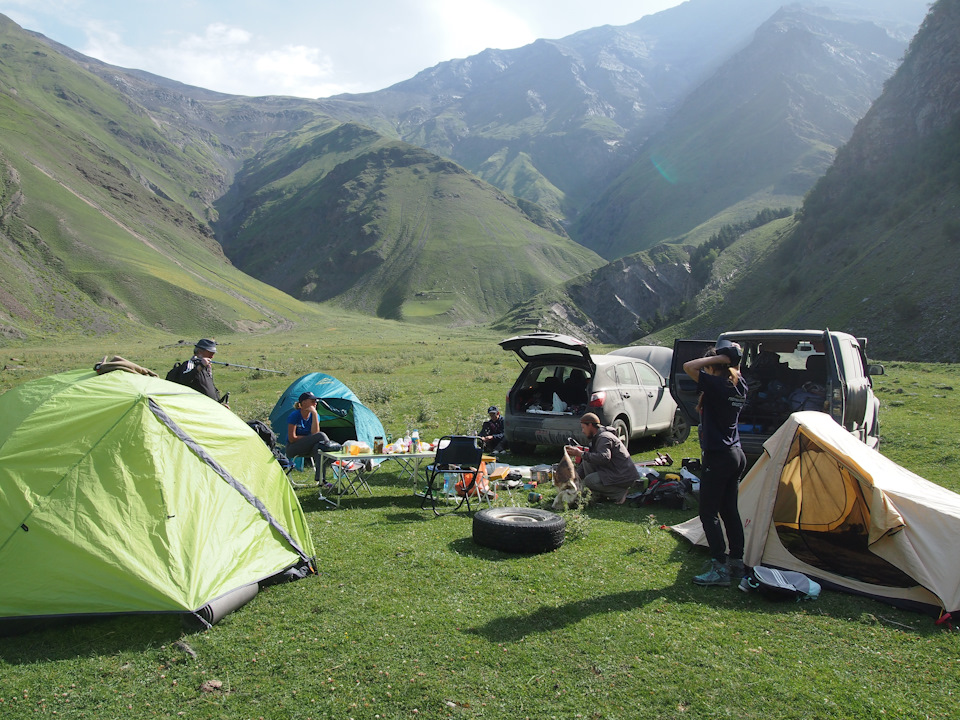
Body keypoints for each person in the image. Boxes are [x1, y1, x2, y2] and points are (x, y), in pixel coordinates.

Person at [683, 342, 748, 587]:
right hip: (736, 453)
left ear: (717, 365)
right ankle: (737, 564)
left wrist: (719, 359)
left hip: (719, 455)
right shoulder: (739, 384)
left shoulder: (719, 383)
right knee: (730, 511)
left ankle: (719, 567)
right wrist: (728, 360)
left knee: (708, 512)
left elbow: (688, 366)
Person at [564, 412, 640, 502]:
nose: (583, 431)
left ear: (590, 425)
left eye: (583, 428)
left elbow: (604, 458)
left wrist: (581, 453)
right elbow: (587, 460)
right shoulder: (598, 437)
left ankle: (620, 493)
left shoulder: (604, 438)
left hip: (622, 475)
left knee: (590, 481)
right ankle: (599, 492)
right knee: (587, 460)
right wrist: (573, 479)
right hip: (614, 470)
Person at [286, 392, 334, 484]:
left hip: (308, 448)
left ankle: (321, 480)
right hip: (293, 448)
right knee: (321, 435)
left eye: (316, 401)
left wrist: (315, 414)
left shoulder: (314, 415)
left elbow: (314, 433)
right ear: (304, 403)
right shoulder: (295, 415)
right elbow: (292, 438)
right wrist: (309, 438)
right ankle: (336, 460)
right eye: (312, 401)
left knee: (319, 448)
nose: (315, 403)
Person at [167, 339, 227, 405]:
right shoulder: (190, 364)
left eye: (213, 353)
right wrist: (200, 366)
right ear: (199, 352)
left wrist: (220, 404)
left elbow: (210, 389)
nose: (212, 356)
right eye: (210, 352)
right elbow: (184, 380)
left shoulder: (207, 368)